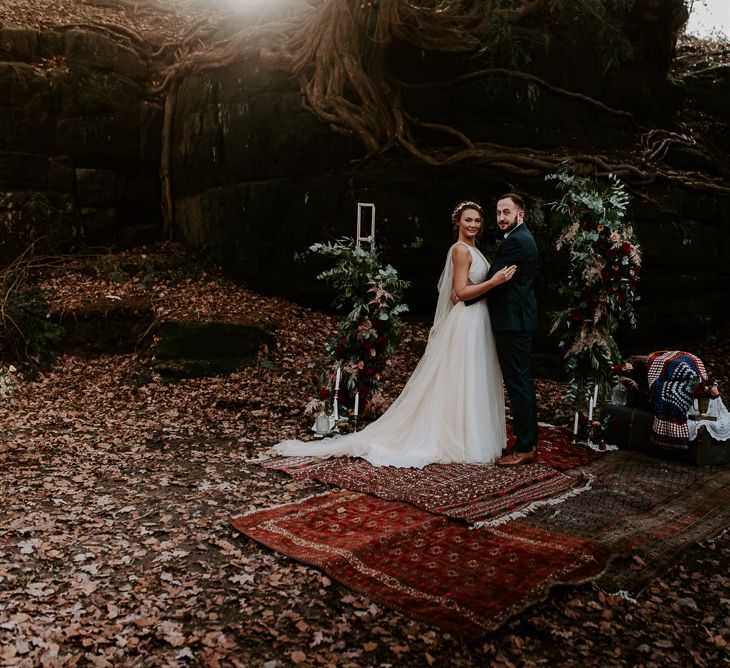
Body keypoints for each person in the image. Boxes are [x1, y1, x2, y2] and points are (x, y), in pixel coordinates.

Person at [271, 201, 516, 468]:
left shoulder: (473, 249)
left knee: (471, 376)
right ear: (458, 222)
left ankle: (469, 434)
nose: (473, 225)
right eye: (468, 220)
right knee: (461, 377)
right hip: (467, 320)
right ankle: (457, 437)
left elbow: (456, 292)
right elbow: (462, 290)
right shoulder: (459, 250)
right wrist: (494, 282)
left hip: (477, 319)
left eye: (477, 221)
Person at [460, 193, 539, 465]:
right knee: (520, 381)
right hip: (515, 320)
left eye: (506, 212)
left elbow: (495, 278)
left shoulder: (517, 242)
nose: (501, 217)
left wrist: (465, 296)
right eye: (498, 212)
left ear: (520, 215)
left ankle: (526, 446)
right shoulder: (519, 238)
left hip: (513, 322)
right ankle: (525, 440)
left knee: (518, 382)